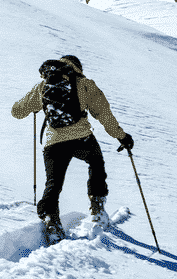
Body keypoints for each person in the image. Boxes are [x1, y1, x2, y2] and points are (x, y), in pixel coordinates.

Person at [11, 55, 133, 238]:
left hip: (54, 143)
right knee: (96, 162)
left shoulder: (43, 86)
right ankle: (97, 207)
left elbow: (17, 112)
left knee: (54, 182)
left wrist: (38, 105)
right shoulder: (85, 84)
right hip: (81, 138)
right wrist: (122, 137)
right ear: (78, 68)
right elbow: (104, 115)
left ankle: (51, 219)